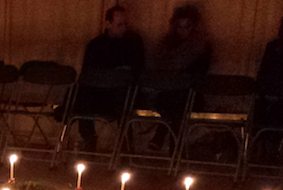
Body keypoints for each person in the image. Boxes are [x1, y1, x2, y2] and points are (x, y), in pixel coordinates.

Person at [76, 6, 144, 152]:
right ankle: (89, 137)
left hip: (121, 96)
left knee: (124, 97)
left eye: (125, 24)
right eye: (119, 25)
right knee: (81, 94)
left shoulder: (133, 44)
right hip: (99, 95)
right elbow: (88, 73)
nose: (123, 28)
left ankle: (126, 143)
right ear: (108, 24)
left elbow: (138, 70)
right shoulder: (95, 45)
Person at [146, 5, 211, 152]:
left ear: (194, 27)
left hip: (190, 94)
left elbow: (200, 73)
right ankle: (173, 150)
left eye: (187, 27)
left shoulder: (201, 46)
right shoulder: (165, 44)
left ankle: (161, 136)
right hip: (167, 92)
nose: (183, 31)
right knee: (172, 101)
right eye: (180, 27)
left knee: (177, 102)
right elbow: (159, 68)